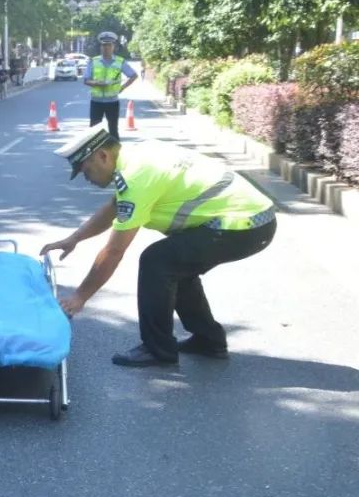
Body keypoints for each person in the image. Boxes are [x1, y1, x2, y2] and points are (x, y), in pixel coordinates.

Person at [41, 124, 277, 367]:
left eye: (85, 169)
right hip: (252, 219)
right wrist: (75, 239)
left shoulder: (136, 179)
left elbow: (114, 251)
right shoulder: (136, 158)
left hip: (245, 224)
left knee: (157, 260)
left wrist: (80, 296)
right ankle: (208, 340)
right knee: (175, 262)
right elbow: (114, 207)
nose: (86, 178)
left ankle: (157, 350)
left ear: (103, 156)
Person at [84, 31, 138, 139]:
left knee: (113, 130)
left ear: (113, 47)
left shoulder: (120, 62)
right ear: (101, 47)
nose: (106, 48)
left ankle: (114, 153)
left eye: (108, 45)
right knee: (94, 131)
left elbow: (133, 75)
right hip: (96, 101)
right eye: (104, 45)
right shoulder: (93, 61)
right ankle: (94, 154)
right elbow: (86, 80)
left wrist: (122, 87)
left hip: (112, 102)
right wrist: (96, 83)